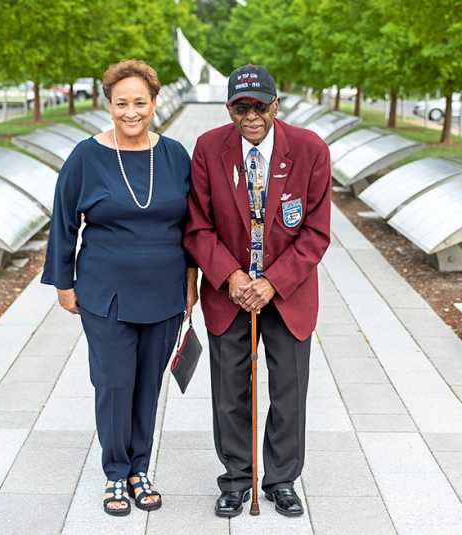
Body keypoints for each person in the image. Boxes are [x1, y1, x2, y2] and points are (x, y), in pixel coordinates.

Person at [41, 59, 198, 517]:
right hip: (104, 292)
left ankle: (139, 469)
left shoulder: (173, 155)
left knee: (148, 382)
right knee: (113, 383)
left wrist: (192, 281)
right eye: (122, 103)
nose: (131, 112)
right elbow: (64, 223)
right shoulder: (85, 157)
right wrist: (63, 284)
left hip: (166, 291)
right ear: (108, 105)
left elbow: (191, 226)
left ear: (154, 103)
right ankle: (115, 473)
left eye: (140, 103)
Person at [183, 64, 331, 518]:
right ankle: (236, 478)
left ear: (276, 105)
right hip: (229, 293)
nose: (250, 116)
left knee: (289, 390)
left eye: (259, 106)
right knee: (230, 391)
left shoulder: (309, 150)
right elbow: (198, 226)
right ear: (229, 108)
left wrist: (272, 282)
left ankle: (281, 479)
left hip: (287, 295)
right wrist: (231, 276)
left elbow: (316, 232)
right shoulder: (209, 149)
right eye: (240, 107)